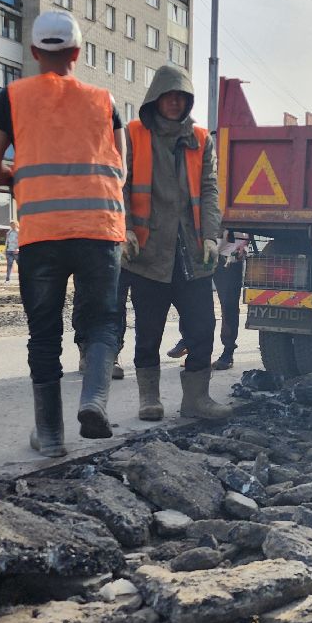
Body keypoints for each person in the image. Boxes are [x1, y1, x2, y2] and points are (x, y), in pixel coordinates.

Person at [0, 10, 130, 457]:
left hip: (42, 234)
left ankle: (49, 435)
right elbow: (120, 168)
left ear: (34, 52)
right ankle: (94, 400)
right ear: (77, 54)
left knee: (43, 334)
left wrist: (22, 179)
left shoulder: (12, 97)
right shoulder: (105, 100)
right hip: (99, 230)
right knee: (101, 321)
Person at [123, 63, 231, 422]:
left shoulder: (201, 139)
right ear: (155, 97)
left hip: (192, 251)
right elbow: (117, 186)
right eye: (168, 95)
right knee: (149, 329)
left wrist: (212, 237)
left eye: (180, 97)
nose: (173, 102)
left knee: (202, 326)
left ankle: (196, 399)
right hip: (147, 251)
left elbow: (210, 190)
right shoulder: (132, 135)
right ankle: (149, 397)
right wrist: (123, 229)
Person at [212, 231, 251, 370]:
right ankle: (190, 345)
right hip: (198, 248)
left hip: (230, 250)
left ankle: (228, 351)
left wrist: (245, 242)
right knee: (193, 303)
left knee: (229, 305)